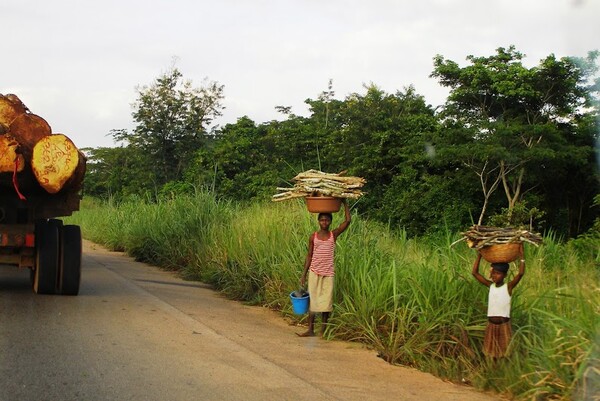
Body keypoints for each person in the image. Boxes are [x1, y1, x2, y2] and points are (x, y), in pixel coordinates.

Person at [297, 199, 351, 337]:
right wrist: (303, 274)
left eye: (327, 220)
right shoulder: (313, 237)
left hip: (328, 273)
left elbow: (348, 221)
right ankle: (310, 329)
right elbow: (309, 256)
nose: (324, 222)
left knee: (326, 303)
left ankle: (324, 330)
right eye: (322, 220)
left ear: (330, 222)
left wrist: (344, 203)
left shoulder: (333, 235)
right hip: (314, 272)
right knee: (313, 301)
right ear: (318, 221)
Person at [472, 244, 525, 358]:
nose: (494, 276)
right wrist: (479, 255)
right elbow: (475, 273)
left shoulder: (508, 287)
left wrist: (522, 255)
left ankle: (503, 372)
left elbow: (520, 273)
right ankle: (492, 370)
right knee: (490, 353)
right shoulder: (490, 285)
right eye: (493, 273)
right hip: (491, 325)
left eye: (498, 273)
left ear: (505, 275)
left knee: (504, 354)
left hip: (503, 325)